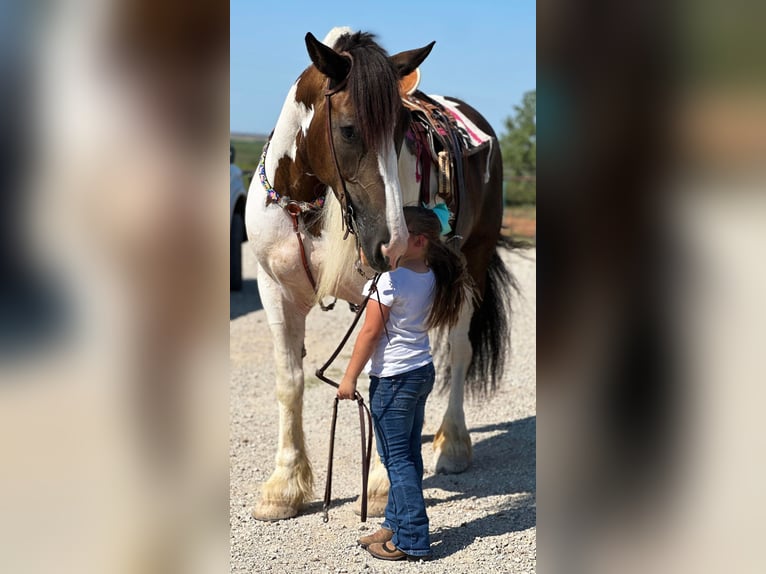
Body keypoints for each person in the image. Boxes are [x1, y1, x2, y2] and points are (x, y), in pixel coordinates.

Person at [337, 205, 473, 561]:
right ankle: (395, 523)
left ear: (418, 240)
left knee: (396, 460)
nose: (386, 241)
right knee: (407, 455)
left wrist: (349, 378)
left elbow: (369, 334)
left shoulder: (390, 281)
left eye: (395, 234)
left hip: (394, 379)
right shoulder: (430, 274)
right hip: (419, 372)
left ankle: (412, 537)